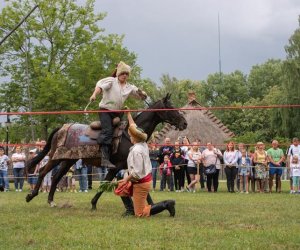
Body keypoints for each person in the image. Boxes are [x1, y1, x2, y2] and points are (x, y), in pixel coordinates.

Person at [89, 61, 147, 169]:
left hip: (117, 113)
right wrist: (94, 94)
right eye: (123, 73)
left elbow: (138, 93)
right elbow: (100, 87)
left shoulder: (129, 87)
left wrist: (142, 94)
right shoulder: (111, 81)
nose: (125, 75)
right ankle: (104, 159)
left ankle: (117, 154)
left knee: (123, 131)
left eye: (126, 74)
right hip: (105, 111)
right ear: (118, 73)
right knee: (108, 131)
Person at [118, 111, 175, 217]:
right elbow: (133, 126)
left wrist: (126, 179)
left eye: (131, 135)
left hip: (140, 182)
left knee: (140, 213)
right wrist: (129, 114)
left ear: (134, 138)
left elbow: (137, 172)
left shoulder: (136, 151)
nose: (129, 135)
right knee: (121, 186)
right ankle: (130, 209)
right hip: (140, 179)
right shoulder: (142, 143)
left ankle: (167, 204)